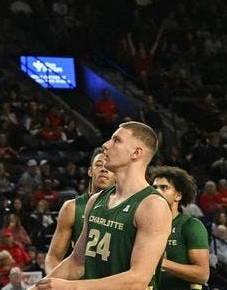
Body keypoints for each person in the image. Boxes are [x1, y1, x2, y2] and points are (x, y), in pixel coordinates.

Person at [32, 121, 172, 290]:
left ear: (136, 153)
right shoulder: (96, 200)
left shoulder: (152, 205)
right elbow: (77, 262)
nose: (105, 145)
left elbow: (137, 280)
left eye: (117, 141)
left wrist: (72, 287)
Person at [45, 150, 115, 271]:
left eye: (109, 166)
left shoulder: (127, 208)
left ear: (117, 174)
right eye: (98, 164)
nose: (104, 169)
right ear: (90, 171)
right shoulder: (72, 208)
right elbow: (53, 257)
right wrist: (55, 282)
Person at [151, 166, 210, 290]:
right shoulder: (142, 223)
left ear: (178, 195)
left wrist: (162, 263)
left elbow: (203, 275)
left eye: (164, 188)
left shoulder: (191, 225)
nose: (156, 191)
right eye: (154, 187)